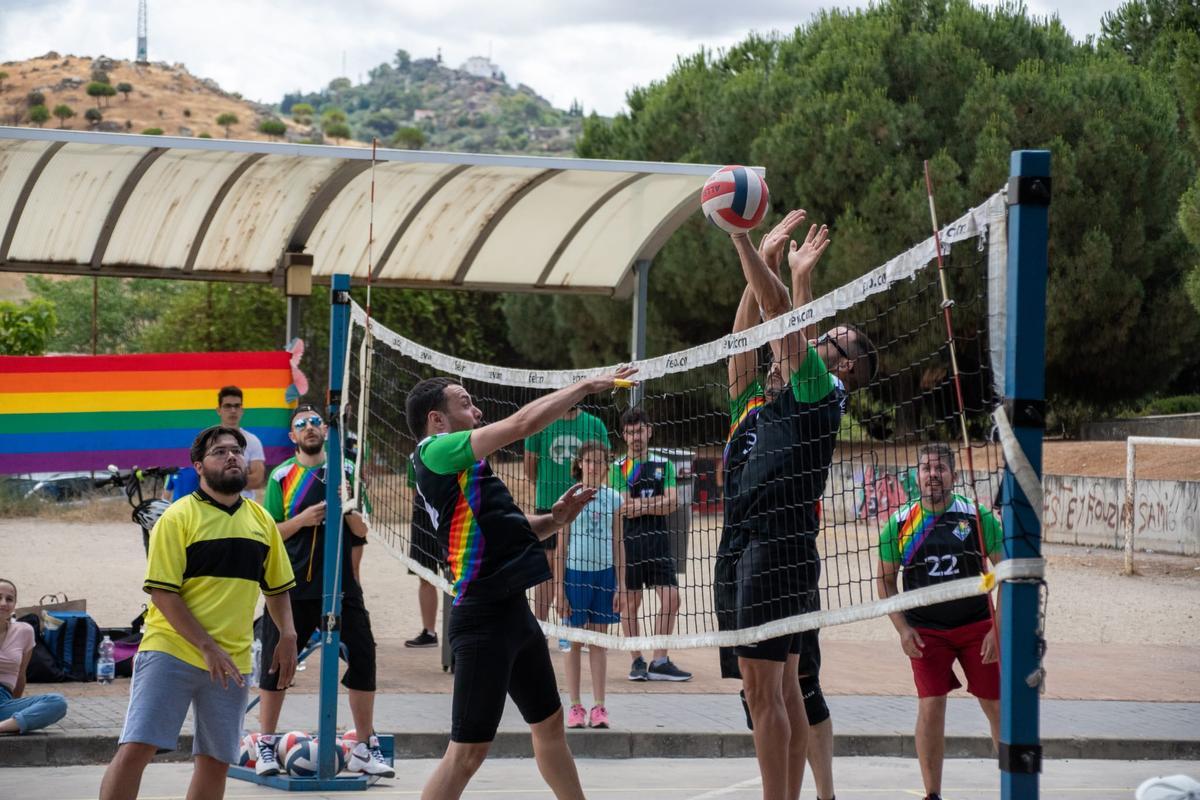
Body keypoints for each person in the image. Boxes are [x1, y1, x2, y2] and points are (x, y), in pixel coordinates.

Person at [406, 365, 635, 800]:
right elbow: (523, 425)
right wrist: (587, 386)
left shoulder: (468, 473)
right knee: (467, 754)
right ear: (436, 420)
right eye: (465, 403)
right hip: (482, 617)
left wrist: (556, 518)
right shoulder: (435, 450)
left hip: (514, 611)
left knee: (549, 726)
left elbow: (512, 529)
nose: (477, 411)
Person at [719, 210, 876, 800]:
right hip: (741, 552)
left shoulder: (820, 394)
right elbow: (747, 342)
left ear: (846, 367)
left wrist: (740, 239)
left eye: (835, 339)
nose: (825, 335)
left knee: (781, 693)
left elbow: (784, 320)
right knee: (771, 694)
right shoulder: (758, 410)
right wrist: (765, 267)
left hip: (775, 549)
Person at [99, 426, 297, 800]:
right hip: (171, 650)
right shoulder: (177, 518)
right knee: (137, 747)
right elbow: (163, 593)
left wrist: (288, 634)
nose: (232, 456)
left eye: (236, 450)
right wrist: (206, 646)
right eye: (219, 452)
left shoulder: (261, 521)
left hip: (233, 658)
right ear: (198, 467)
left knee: (215, 760)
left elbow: (277, 589)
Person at [256, 405, 393, 778]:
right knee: (277, 663)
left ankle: (365, 746)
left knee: (364, 658)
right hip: (292, 585)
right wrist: (302, 521)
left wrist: (343, 504)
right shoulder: (282, 476)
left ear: (326, 430)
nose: (310, 427)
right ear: (292, 436)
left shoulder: (345, 472)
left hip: (341, 587)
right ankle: (265, 743)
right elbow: (269, 533)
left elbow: (363, 531)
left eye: (316, 421)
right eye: (301, 424)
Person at [876, 442, 1003, 800]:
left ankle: (1013, 785)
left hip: (978, 627)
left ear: (953, 475)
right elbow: (885, 581)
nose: (933, 474)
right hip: (926, 632)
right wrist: (902, 629)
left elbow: (1005, 573)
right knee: (931, 707)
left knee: (996, 706)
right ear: (917, 476)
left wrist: (998, 629)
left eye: (940, 468)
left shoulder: (977, 518)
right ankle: (933, 794)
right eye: (927, 468)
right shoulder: (899, 525)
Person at [610, 407, 690, 682]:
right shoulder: (618, 467)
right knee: (631, 603)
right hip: (629, 545)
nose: (636, 437)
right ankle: (637, 661)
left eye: (640, 431)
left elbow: (674, 502)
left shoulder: (663, 465)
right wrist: (656, 504)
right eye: (630, 432)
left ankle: (660, 660)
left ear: (649, 431)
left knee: (672, 599)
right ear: (623, 435)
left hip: (659, 543)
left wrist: (642, 505)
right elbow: (624, 509)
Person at [524, 405, 609, 632]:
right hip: (549, 504)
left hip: (585, 504)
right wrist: (550, 490)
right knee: (548, 564)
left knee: (580, 562)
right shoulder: (541, 422)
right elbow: (529, 468)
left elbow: (604, 465)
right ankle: (539, 628)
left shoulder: (595, 424)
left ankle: (577, 627)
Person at [559, 440, 623, 730]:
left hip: (604, 576)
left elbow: (618, 542)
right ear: (580, 464)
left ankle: (599, 707)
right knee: (573, 641)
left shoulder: (614, 499)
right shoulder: (570, 498)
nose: (595, 466)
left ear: (606, 468)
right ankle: (575, 706)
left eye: (600, 462)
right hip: (575, 575)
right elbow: (561, 546)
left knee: (599, 642)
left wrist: (620, 585)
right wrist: (560, 589)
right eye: (590, 461)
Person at [0, 579, 68, 735]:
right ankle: (12, 724)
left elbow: (21, 675)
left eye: (9, 599)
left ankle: (4, 726)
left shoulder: (25, 631)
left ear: (14, 604)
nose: (3, 603)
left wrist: (14, 705)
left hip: (3, 702)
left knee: (57, 702)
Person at [405, 457, 441, 648]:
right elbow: (414, 491)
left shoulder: (454, 445)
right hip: (423, 515)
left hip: (450, 511)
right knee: (425, 575)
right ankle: (429, 632)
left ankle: (463, 630)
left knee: (459, 575)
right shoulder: (414, 457)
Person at [216, 386, 266, 500]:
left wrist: (221, 476)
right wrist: (241, 474)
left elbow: (257, 480)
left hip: (244, 507)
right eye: (228, 406)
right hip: (214, 507)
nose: (233, 410)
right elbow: (204, 478)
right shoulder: (209, 440)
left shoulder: (253, 441)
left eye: (237, 406)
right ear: (219, 410)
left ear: (242, 410)